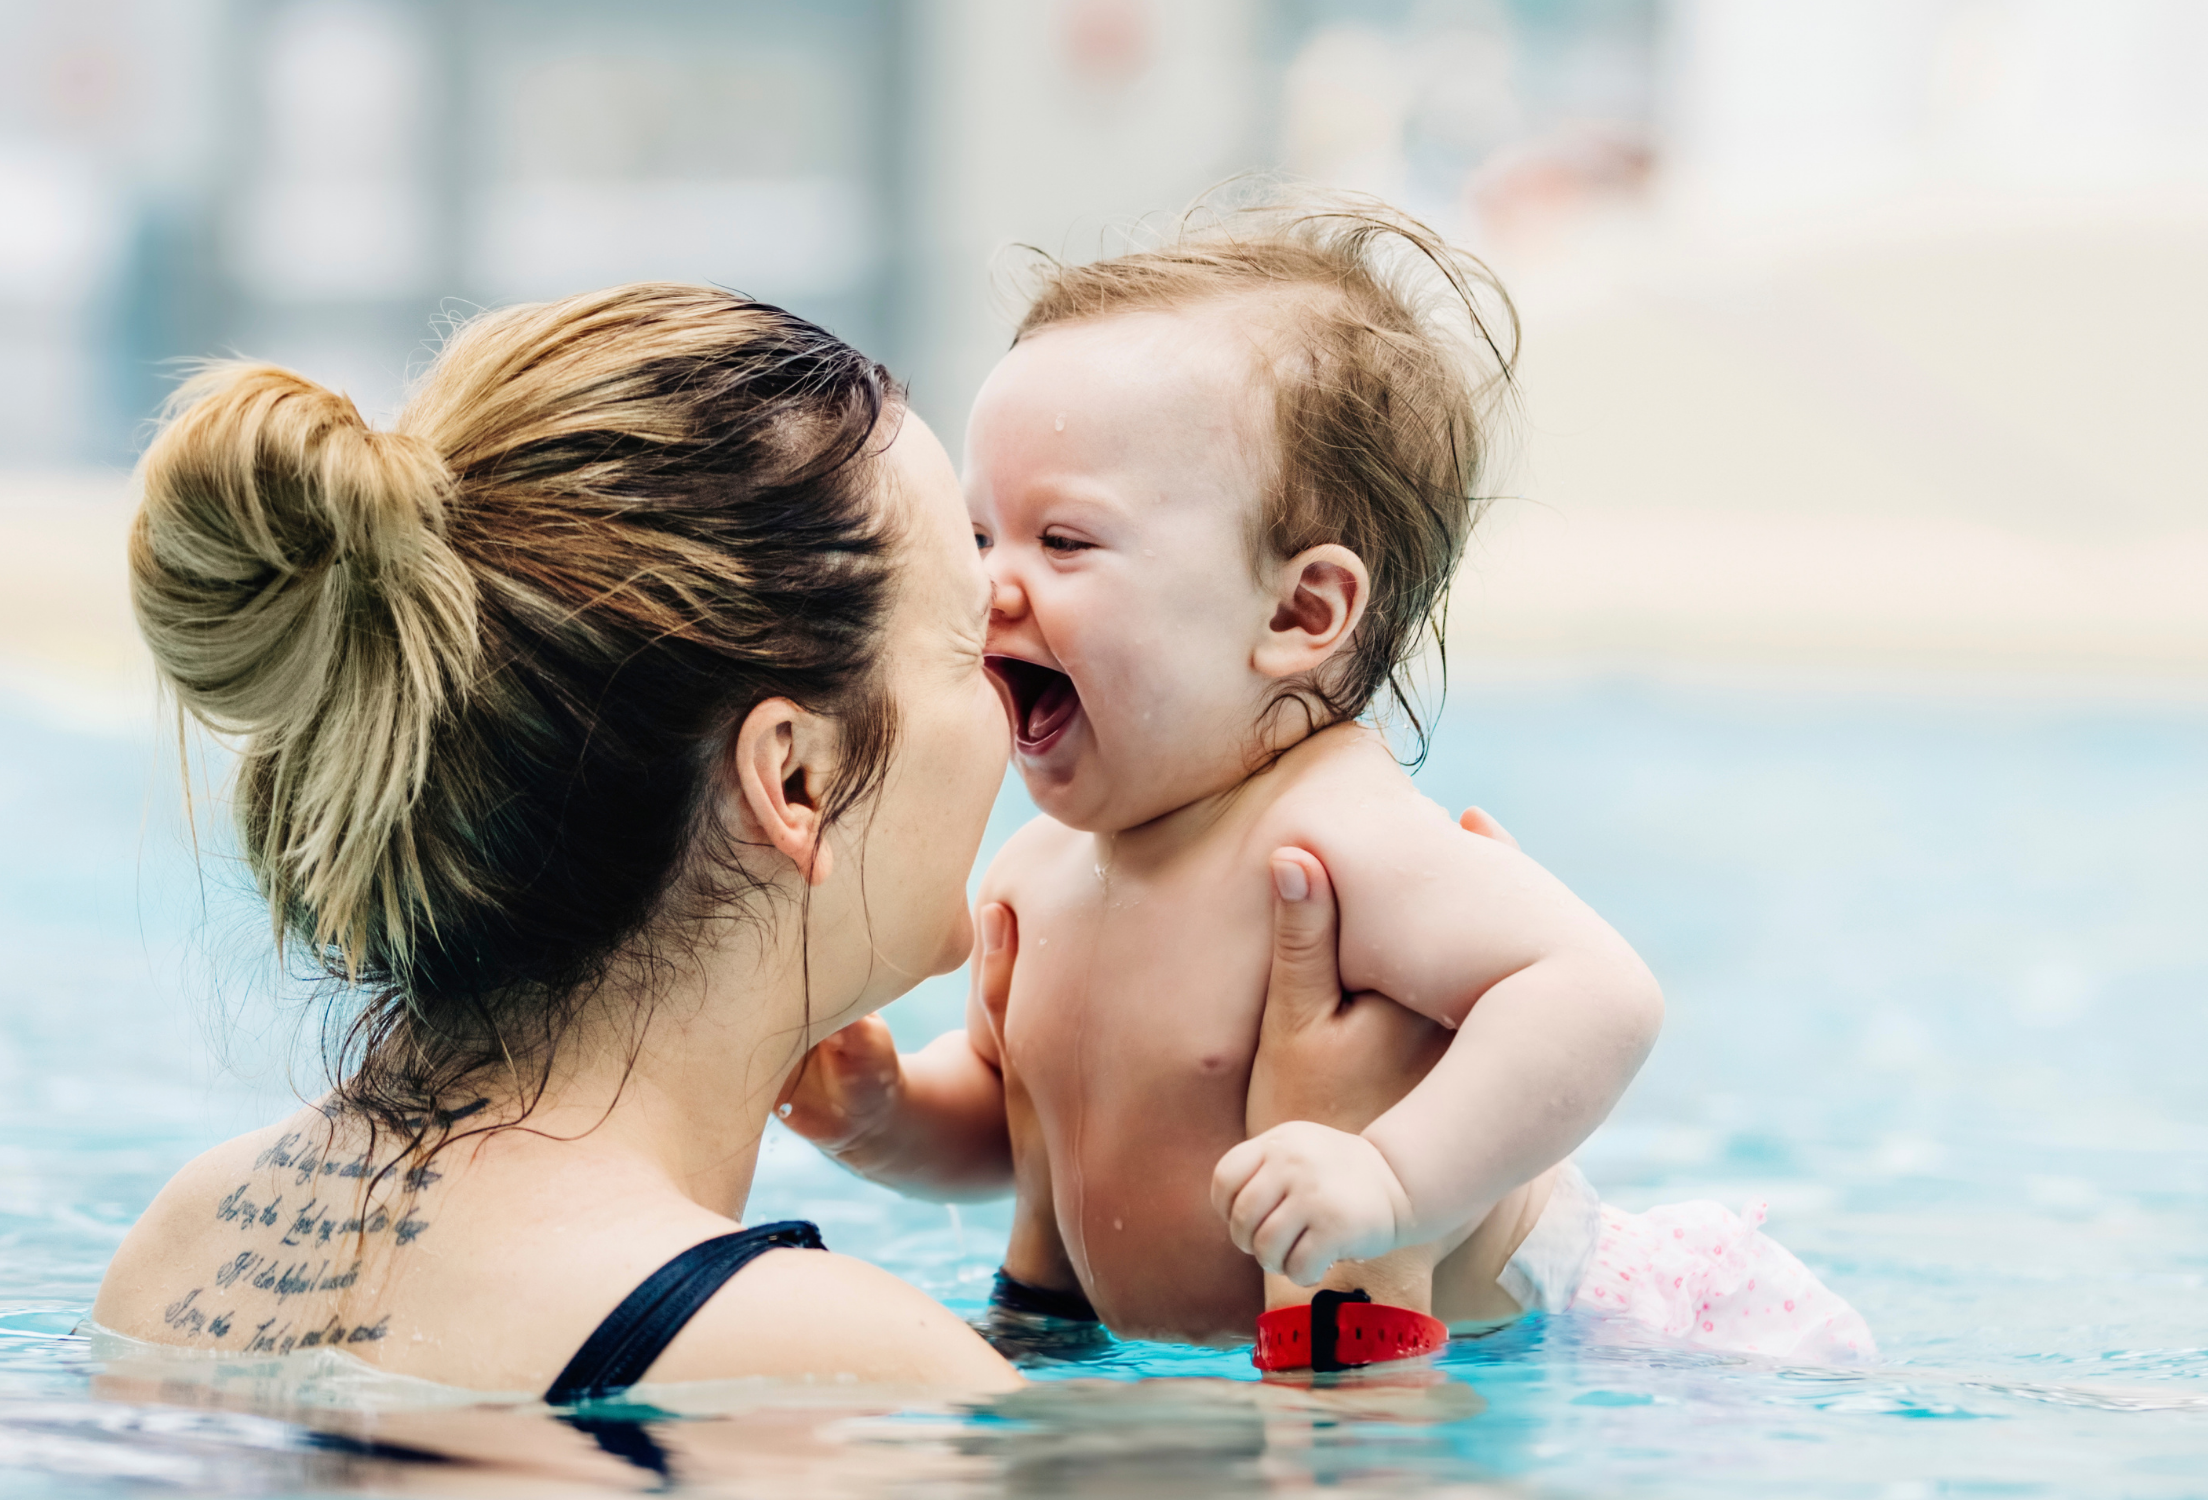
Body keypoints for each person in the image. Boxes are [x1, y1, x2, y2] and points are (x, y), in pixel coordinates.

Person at [780, 197, 1874, 1365]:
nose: (990, 586)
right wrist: (884, 1115)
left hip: (1549, 1343)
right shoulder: (1038, 869)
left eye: (1064, 543)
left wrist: (1391, 1178)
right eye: (979, 536)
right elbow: (1018, 1123)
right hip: (1239, 1374)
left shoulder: (1330, 839)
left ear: (1300, 613)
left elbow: (1598, 994)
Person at [92, 286, 1029, 1398]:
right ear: (795, 777)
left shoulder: (186, 1243)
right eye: (971, 639)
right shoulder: (839, 1364)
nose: (1013, 683)